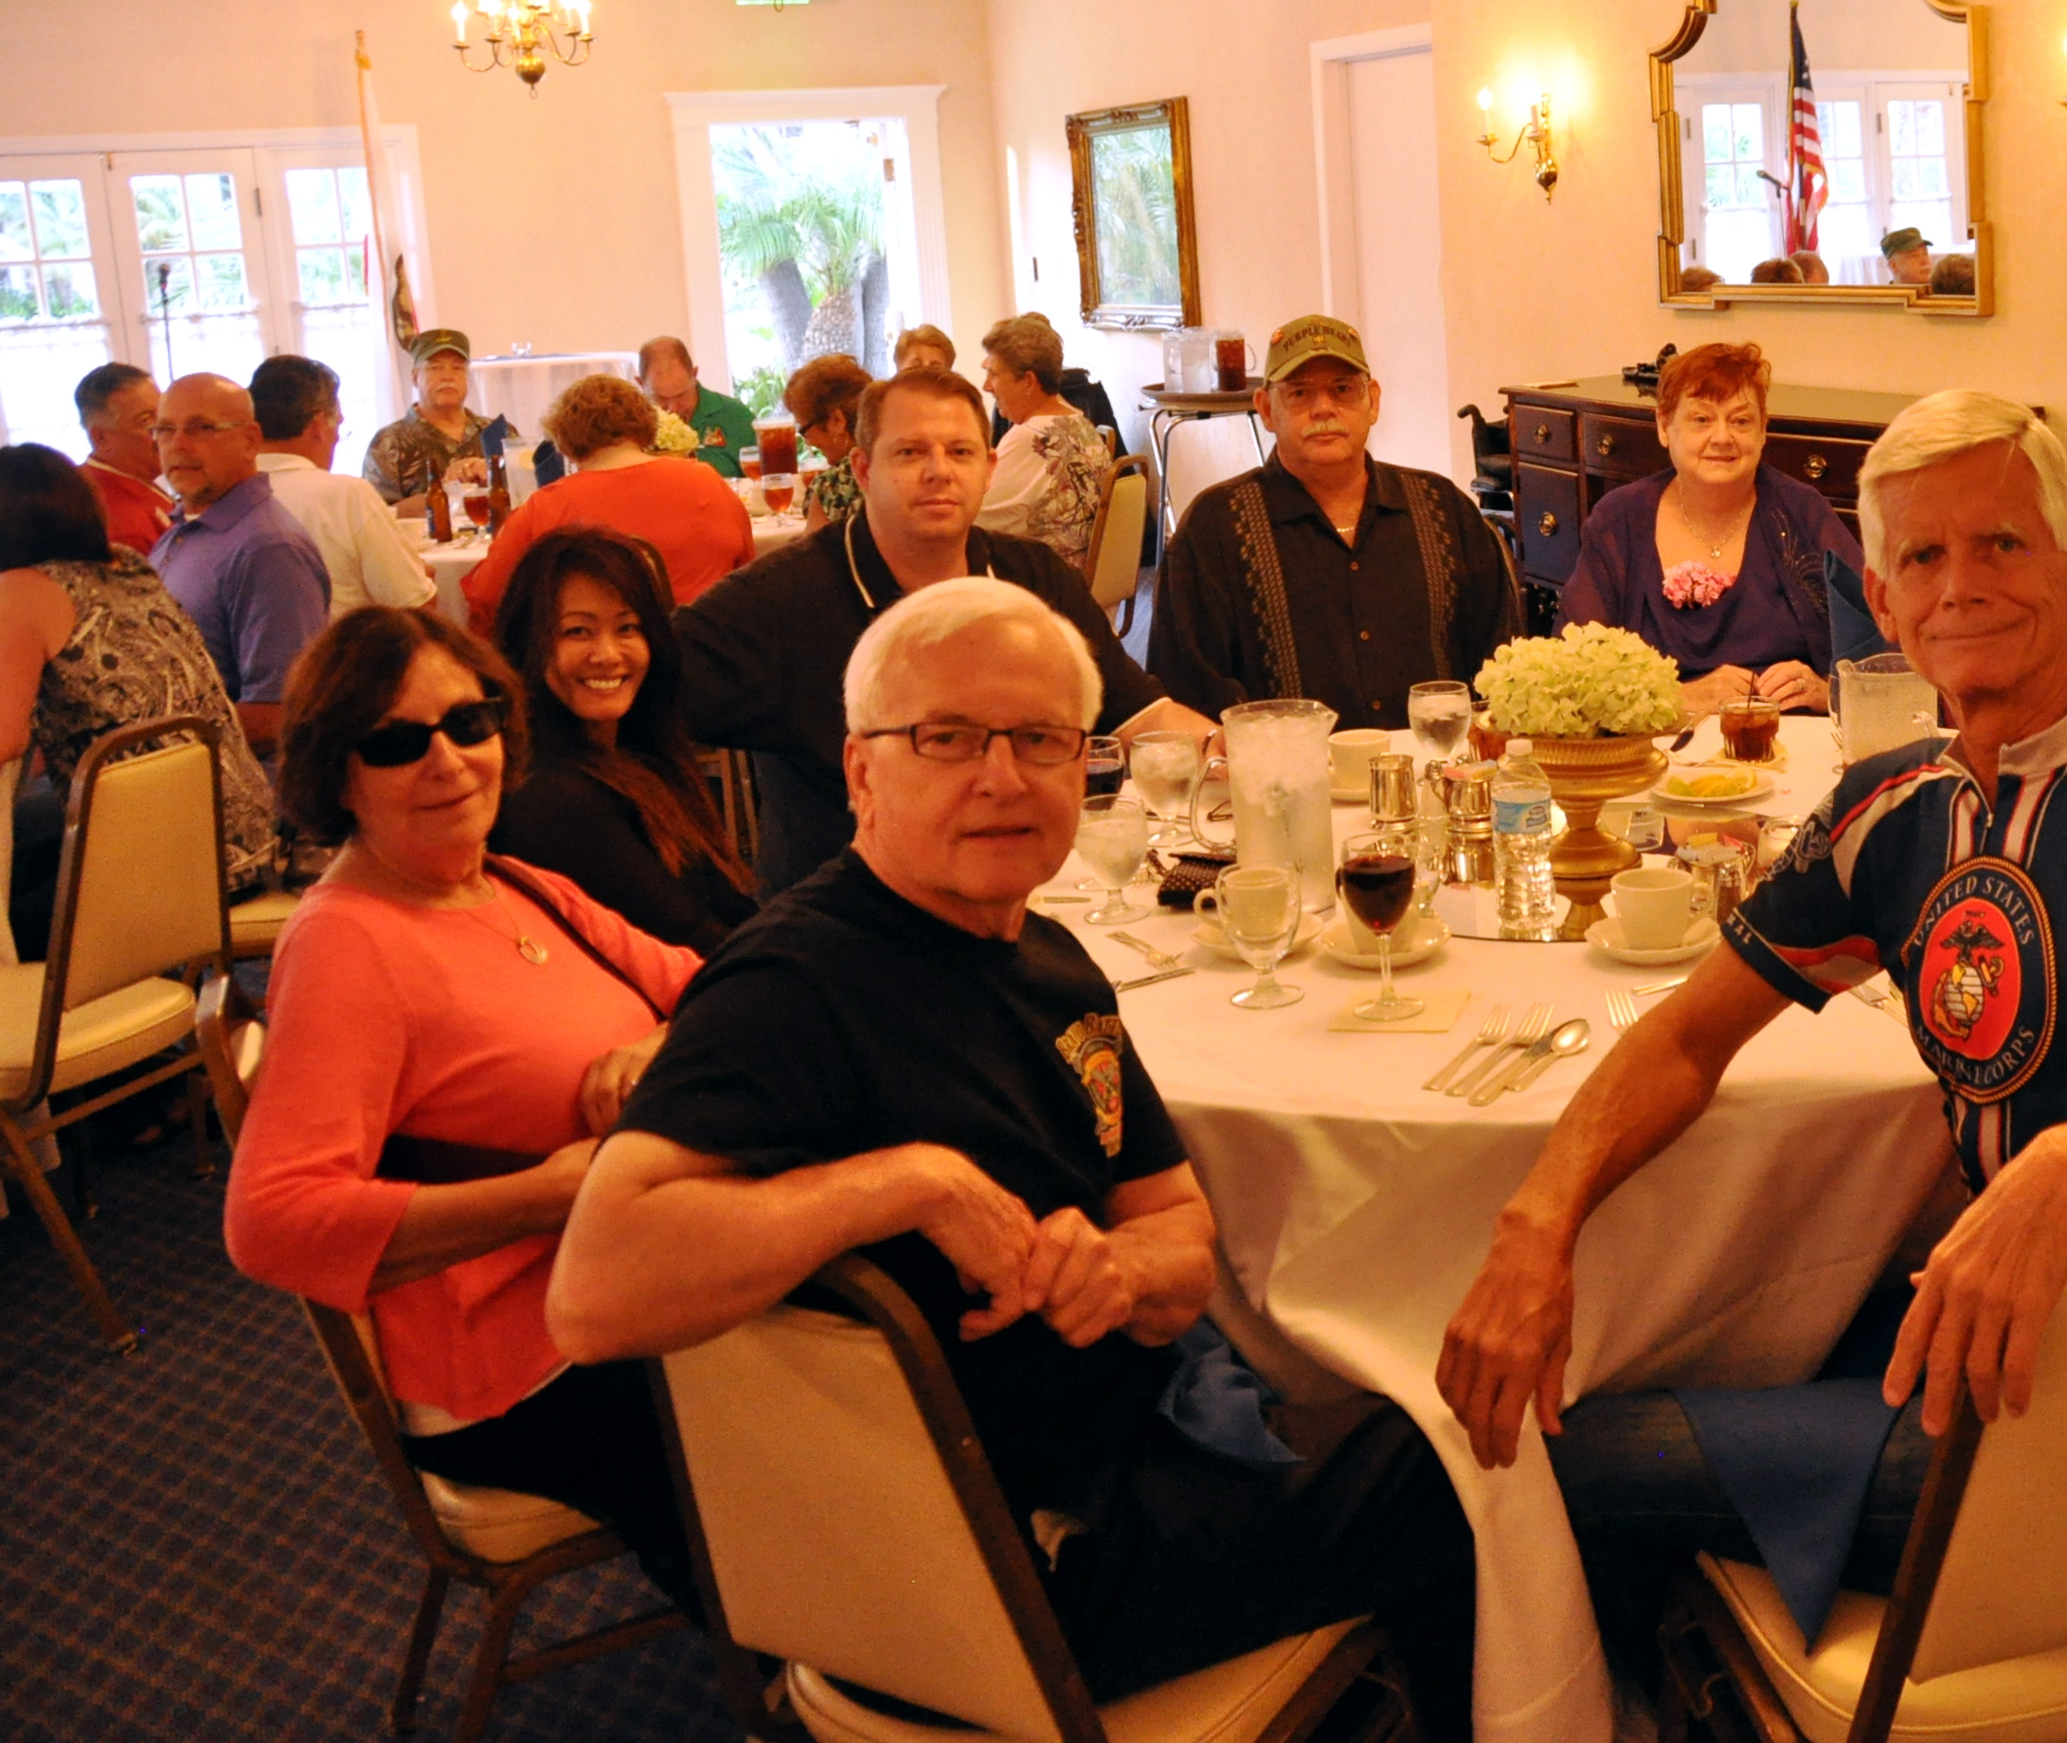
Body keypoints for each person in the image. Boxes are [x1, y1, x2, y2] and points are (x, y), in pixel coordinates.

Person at [1438, 392, 2067, 1640]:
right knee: (1580, 1389)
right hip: (1980, 1345)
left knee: (1534, 1463)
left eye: (2003, 543)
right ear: (1882, 604)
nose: (1962, 585)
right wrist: (1536, 1220)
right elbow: (1687, 1036)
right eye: (1922, 557)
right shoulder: (1882, 809)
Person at [546, 579, 1477, 1737]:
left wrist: (1120, 1273)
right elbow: (595, 1291)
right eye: (946, 738)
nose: (1001, 777)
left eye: (1040, 739)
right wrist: (911, 1181)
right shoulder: (797, 984)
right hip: (1002, 1581)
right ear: (860, 771)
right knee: (1471, 1456)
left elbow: (1178, 1232)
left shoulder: (1049, 960)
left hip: (1122, 1462)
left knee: (1428, 1412)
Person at [220, 607, 703, 1614]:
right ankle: (811, 1653)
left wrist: (651, 1044)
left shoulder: (516, 885)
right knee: (844, 1366)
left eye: (468, 722)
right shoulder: (347, 944)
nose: (447, 760)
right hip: (515, 1357)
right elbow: (272, 1222)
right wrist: (547, 1195)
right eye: (396, 742)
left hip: (624, 1273)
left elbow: (715, 989)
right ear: (338, 775)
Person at [678, 370, 1211, 891]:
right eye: (910, 453)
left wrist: (1232, 750)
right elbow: (649, 704)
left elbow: (1142, 715)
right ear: (862, 469)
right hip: (848, 920)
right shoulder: (780, 600)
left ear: (989, 468)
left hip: (1027, 892)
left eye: (960, 452)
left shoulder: (1033, 578)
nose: (939, 471)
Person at [1150, 317, 1517, 731]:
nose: (1323, 408)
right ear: (1266, 409)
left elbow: (1499, 663)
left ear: (1373, 401)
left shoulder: (1442, 510)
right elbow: (1188, 695)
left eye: (1342, 389)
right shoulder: (1215, 530)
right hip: (1283, 768)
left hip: (1434, 761)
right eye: (1299, 393)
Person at [0, 445, 278, 894]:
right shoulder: (126, 566)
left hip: (162, 869)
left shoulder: (23, 590)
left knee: (18, 871)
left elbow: (5, 739)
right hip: (240, 835)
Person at [490, 527, 757, 955]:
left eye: (627, 627)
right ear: (529, 643)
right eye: (577, 632)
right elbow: (688, 942)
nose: (608, 655)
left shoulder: (637, 756)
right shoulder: (555, 800)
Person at [1558, 341, 1860, 717]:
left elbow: (1883, 654)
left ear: (1763, 431)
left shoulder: (1802, 511)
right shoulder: (1620, 520)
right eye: (1701, 420)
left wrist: (1828, 692)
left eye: (1741, 421)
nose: (1722, 437)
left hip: (1790, 737)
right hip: (1658, 741)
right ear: (1664, 426)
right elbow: (1572, 674)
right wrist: (1683, 697)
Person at [458, 376, 754, 635]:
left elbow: (486, 598)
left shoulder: (545, 506)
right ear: (646, 424)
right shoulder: (706, 480)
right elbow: (746, 572)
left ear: (563, 442)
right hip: (709, 658)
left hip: (597, 665)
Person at [151, 373, 331, 752]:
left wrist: (146, 742)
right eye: (165, 430)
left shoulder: (268, 549)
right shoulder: (187, 528)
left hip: (229, 777)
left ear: (250, 441)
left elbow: (280, 712)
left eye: (201, 428)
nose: (178, 444)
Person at [251, 354, 438, 618]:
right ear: (318, 426)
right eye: (338, 424)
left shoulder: (227, 499)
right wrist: (420, 577)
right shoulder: (345, 495)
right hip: (344, 643)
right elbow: (415, 606)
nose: (337, 437)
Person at [976, 314, 1113, 570]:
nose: (986, 386)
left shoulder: (1031, 437)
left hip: (1046, 583)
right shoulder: (1080, 422)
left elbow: (974, 518)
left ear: (1029, 381)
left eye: (993, 374)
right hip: (1079, 579)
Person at [362, 331, 492, 504]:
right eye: (435, 368)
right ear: (415, 377)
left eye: (457, 368)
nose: (447, 376)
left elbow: (522, 493)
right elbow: (377, 514)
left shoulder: (495, 432)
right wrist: (438, 497)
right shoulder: (390, 442)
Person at [72, 363, 172, 553]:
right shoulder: (125, 527)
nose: (164, 431)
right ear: (101, 438)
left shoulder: (132, 482)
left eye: (162, 413)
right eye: (146, 420)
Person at [641, 336, 756, 481]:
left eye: (682, 396)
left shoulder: (735, 415)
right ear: (640, 383)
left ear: (694, 374)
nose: (673, 409)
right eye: (661, 399)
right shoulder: (630, 429)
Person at [782, 352, 873, 531]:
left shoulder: (832, 485)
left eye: (805, 429)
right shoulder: (899, 461)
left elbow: (813, 548)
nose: (808, 442)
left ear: (836, 421)